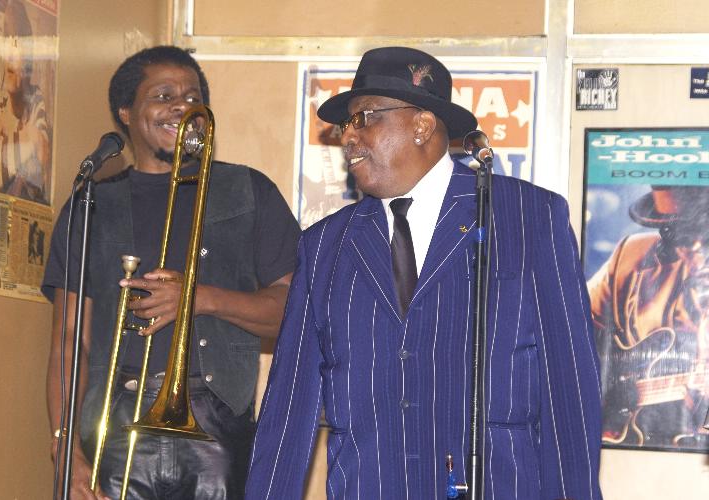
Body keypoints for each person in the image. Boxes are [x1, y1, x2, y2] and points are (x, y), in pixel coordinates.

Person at [245, 46, 602, 499]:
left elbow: (569, 391)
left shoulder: (528, 217)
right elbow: (287, 409)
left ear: (422, 125)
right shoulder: (324, 247)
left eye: (364, 118)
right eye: (346, 124)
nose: (348, 136)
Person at [43, 46, 301, 499]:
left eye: (193, 97)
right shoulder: (91, 204)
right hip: (114, 426)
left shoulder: (249, 191)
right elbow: (69, 340)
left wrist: (198, 298)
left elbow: (297, 313)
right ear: (126, 112)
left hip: (217, 429)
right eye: (163, 96)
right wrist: (66, 447)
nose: (182, 107)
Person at [588, 185, 709, 449]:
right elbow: (569, 327)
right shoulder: (631, 255)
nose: (697, 247)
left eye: (705, 233)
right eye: (684, 236)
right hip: (628, 443)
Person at [0, 0, 51, 204]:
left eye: (17, 49)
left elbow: (40, 156)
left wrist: (2, 147)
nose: (10, 57)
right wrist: (24, 140)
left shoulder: (37, 104)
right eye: (7, 47)